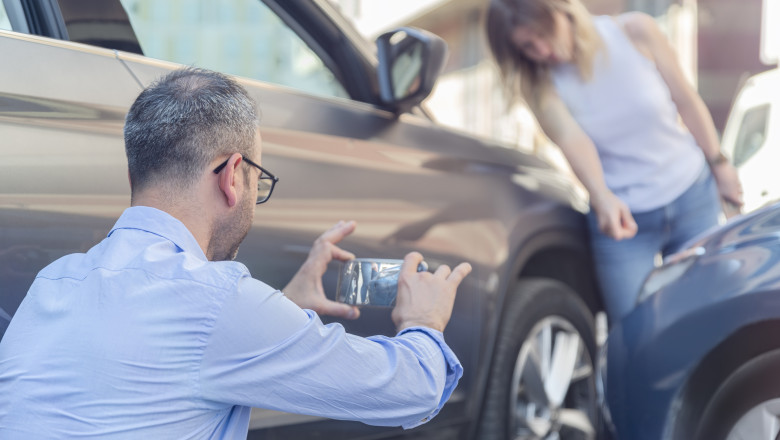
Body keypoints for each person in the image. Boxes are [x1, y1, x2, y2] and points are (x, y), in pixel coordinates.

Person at [0, 67, 472, 439]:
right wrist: (424, 323)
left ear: (133, 179)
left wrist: (285, 308)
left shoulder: (54, 282)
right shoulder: (216, 300)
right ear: (231, 175)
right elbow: (410, 391)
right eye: (257, 180)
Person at [485, 0, 743, 323]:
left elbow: (686, 101)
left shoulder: (635, 31)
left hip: (691, 196)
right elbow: (572, 140)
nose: (541, 49)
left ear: (562, 10)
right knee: (632, 332)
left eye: (542, 32)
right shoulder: (538, 84)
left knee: (713, 312)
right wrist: (602, 196)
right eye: (526, 46)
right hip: (622, 221)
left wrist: (720, 164)